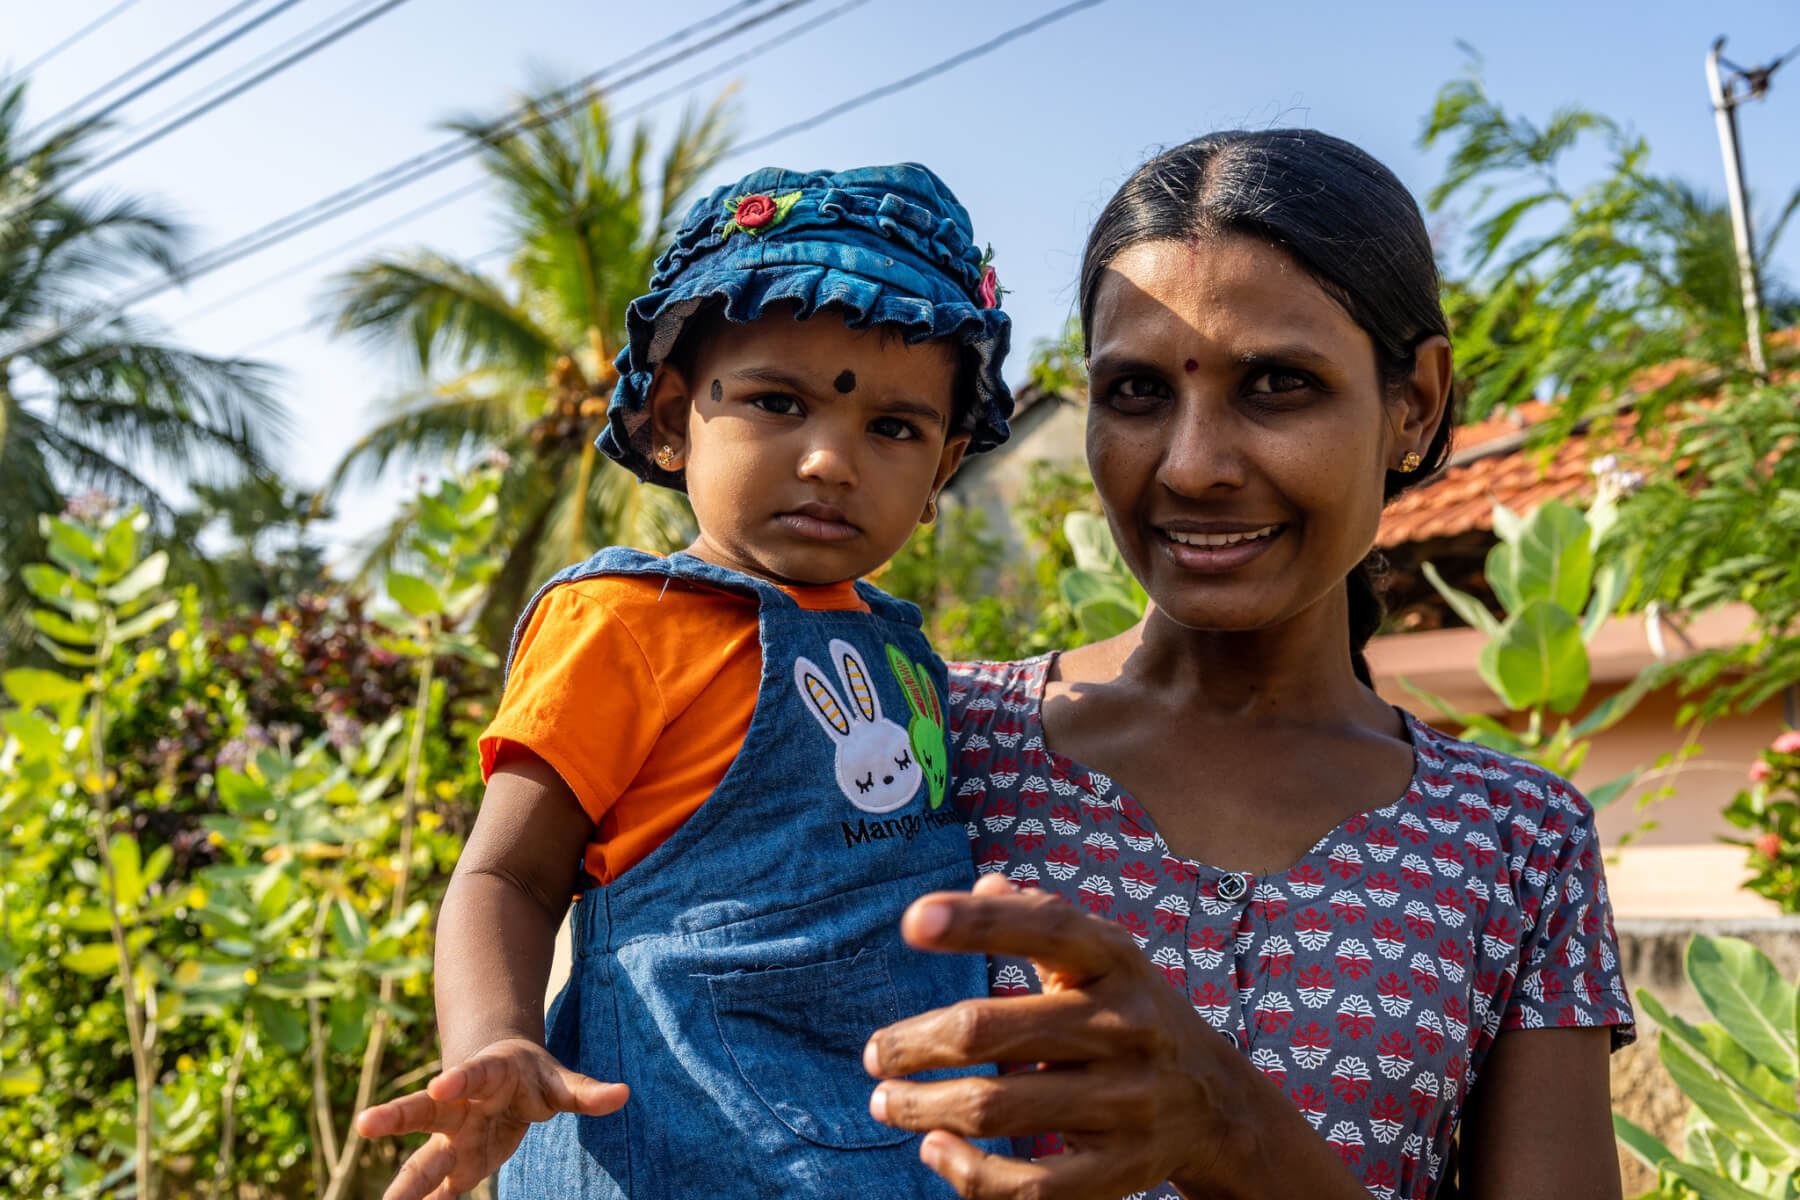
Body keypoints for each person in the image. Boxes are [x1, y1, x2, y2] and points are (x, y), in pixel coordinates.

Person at [859, 130, 1634, 1200]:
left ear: (1416, 402)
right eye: (1135, 393)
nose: (1193, 464)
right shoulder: (928, 744)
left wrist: (1233, 1131)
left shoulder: (1516, 843)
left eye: (1277, 384)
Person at [352, 162, 1016, 1200]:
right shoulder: (625, 625)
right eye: (776, 403)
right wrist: (498, 1039)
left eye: (894, 427)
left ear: (942, 469)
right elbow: (507, 877)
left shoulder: (900, 645)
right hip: (684, 1150)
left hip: (901, 1150)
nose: (832, 460)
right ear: (670, 418)